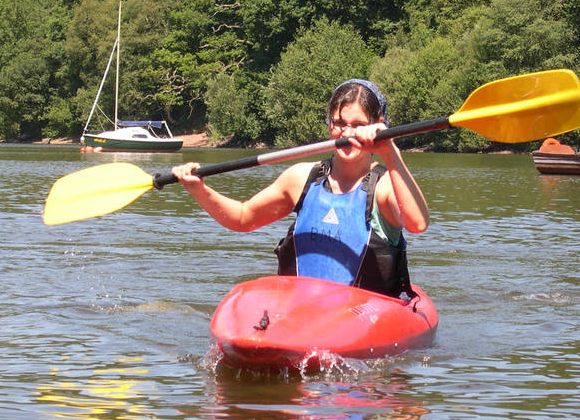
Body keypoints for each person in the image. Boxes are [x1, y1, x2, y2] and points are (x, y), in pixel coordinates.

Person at [172, 79, 429, 297]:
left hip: (363, 318)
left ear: (378, 124)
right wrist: (199, 190)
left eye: (358, 124)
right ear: (329, 123)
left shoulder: (386, 186)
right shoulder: (302, 178)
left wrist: (389, 150)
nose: (347, 132)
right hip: (301, 312)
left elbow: (417, 223)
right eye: (339, 122)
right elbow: (242, 218)